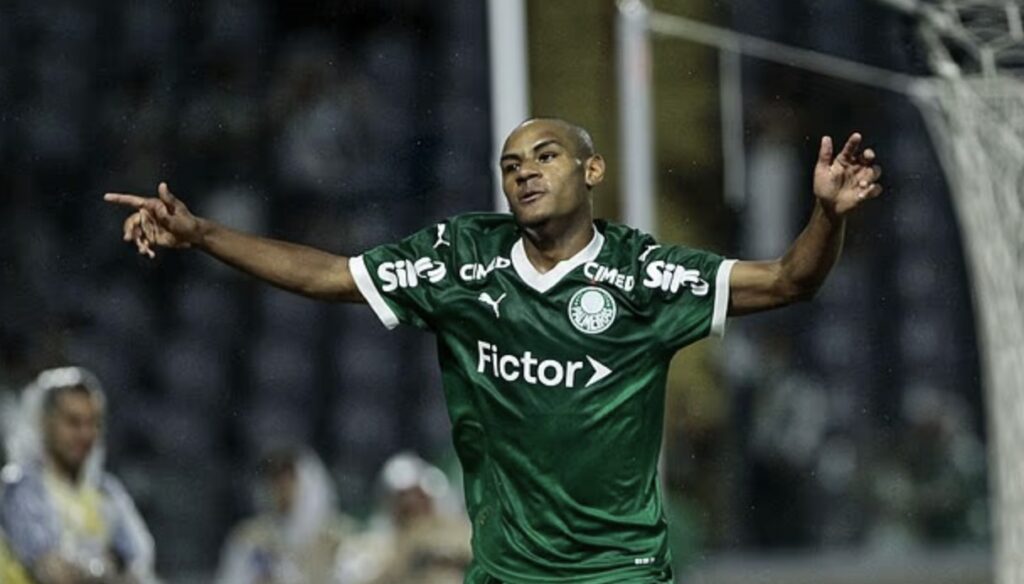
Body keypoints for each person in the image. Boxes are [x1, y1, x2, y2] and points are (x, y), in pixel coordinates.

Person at [105, 117, 882, 583]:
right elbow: (329, 276)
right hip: (506, 571)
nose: (524, 173)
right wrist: (202, 234)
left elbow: (789, 280)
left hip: (617, 570)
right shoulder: (459, 259)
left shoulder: (645, 276)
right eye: (511, 166)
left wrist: (828, 215)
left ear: (591, 169)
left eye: (544, 155)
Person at [0, 366, 158, 583]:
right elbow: (54, 574)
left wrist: (86, 569)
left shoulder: (107, 493)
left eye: (93, 423)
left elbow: (139, 570)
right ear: (45, 423)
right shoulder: (22, 487)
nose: (85, 434)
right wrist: (107, 566)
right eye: (73, 422)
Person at [215, 448, 356, 584]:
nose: (280, 489)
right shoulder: (250, 539)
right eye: (274, 480)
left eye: (288, 480)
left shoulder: (338, 538)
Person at [336, 452, 472, 584]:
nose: (413, 504)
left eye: (420, 500)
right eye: (405, 507)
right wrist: (404, 561)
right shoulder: (370, 549)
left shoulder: (460, 538)